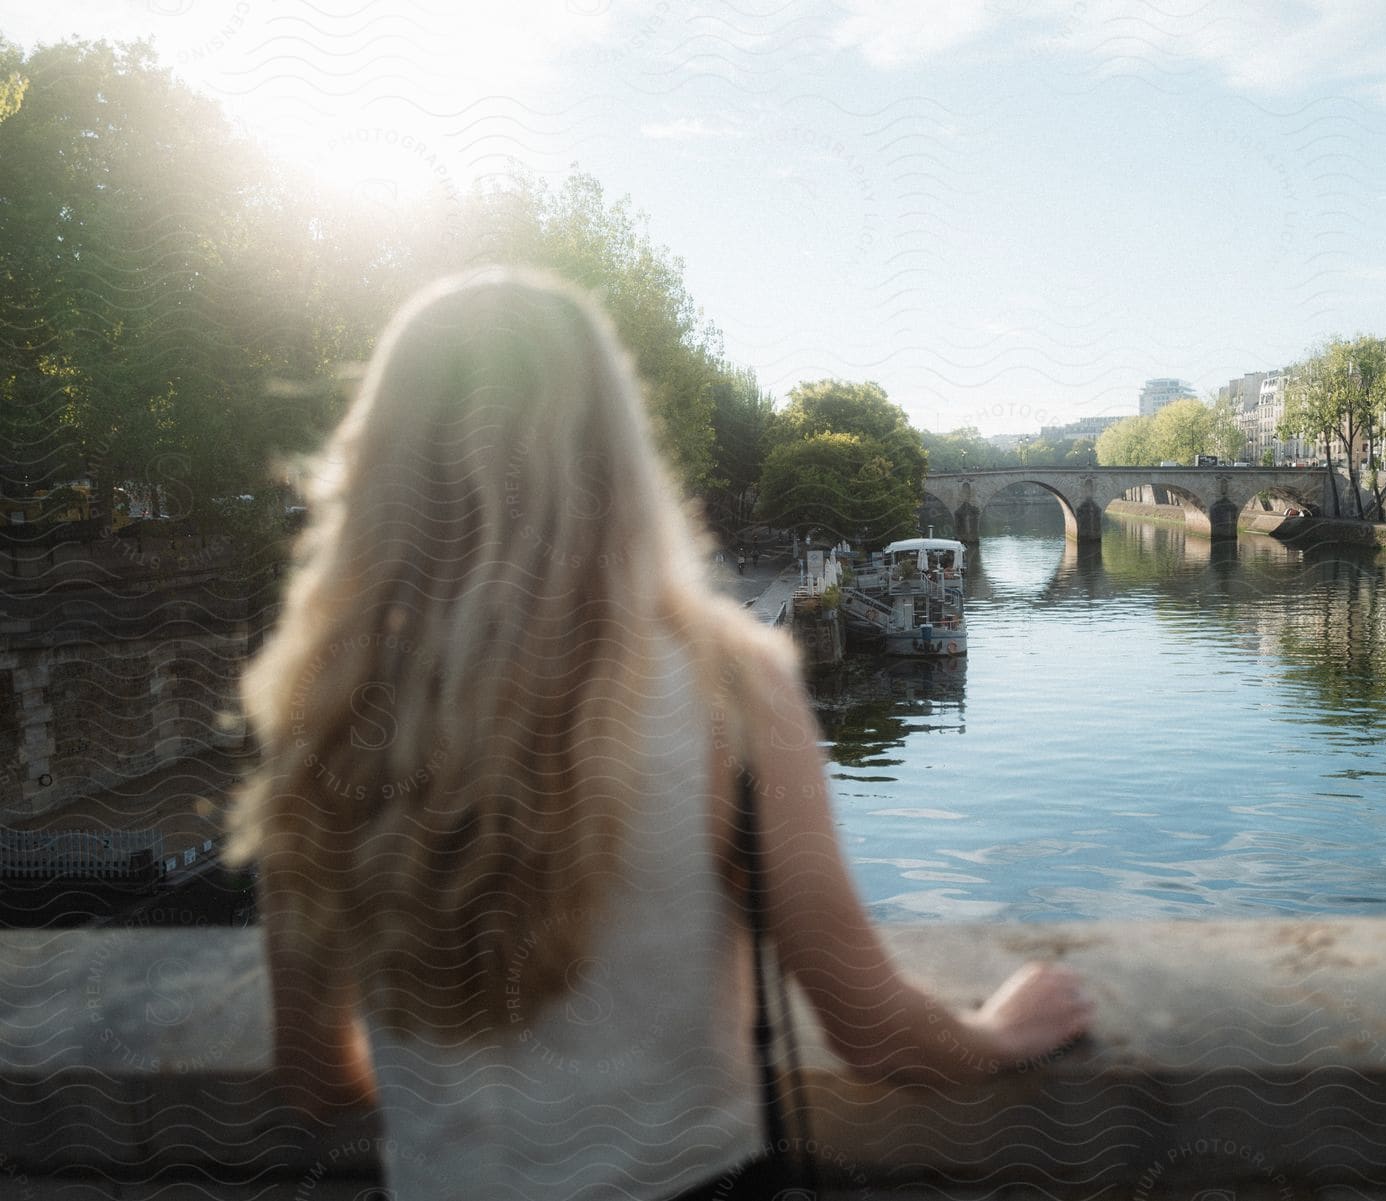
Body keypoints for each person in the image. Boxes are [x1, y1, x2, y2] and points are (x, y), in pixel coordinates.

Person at [226, 268, 1091, 1201]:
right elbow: (869, 1028)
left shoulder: (323, 709)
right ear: (616, 452)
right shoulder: (729, 682)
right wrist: (999, 1031)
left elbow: (315, 1080)